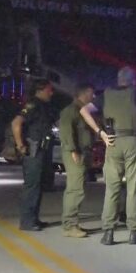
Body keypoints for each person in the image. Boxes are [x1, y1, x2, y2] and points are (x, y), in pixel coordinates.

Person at [80, 66, 136, 245]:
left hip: (112, 142)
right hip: (132, 141)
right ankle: (133, 232)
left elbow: (84, 111)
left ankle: (108, 232)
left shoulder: (106, 95)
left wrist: (100, 132)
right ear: (133, 81)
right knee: (133, 187)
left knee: (112, 188)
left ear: (118, 79)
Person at [11, 79, 56, 231]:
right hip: (34, 151)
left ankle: (34, 219)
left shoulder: (44, 106)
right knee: (32, 186)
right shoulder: (33, 105)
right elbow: (16, 123)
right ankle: (27, 222)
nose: (51, 93)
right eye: (49, 89)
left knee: (39, 185)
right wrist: (20, 145)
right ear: (40, 90)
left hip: (42, 150)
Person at [58, 83, 96, 238]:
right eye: (91, 93)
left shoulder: (82, 110)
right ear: (84, 93)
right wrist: (73, 150)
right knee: (75, 189)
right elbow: (66, 131)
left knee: (77, 188)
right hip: (75, 153)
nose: (93, 97)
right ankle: (70, 225)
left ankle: (72, 223)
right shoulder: (71, 110)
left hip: (82, 152)